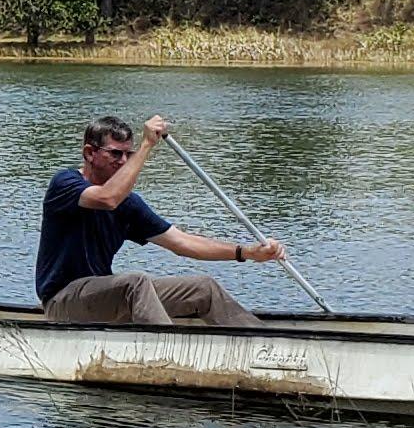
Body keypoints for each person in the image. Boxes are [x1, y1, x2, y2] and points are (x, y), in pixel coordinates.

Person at [36, 113, 283, 327]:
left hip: (102, 298)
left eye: (127, 154)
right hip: (62, 302)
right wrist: (146, 146)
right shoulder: (65, 184)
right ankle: (168, 351)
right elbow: (107, 198)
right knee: (136, 282)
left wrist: (247, 252)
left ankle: (264, 344)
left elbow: (183, 243)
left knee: (203, 288)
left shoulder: (128, 204)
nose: (123, 161)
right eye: (115, 154)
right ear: (90, 153)